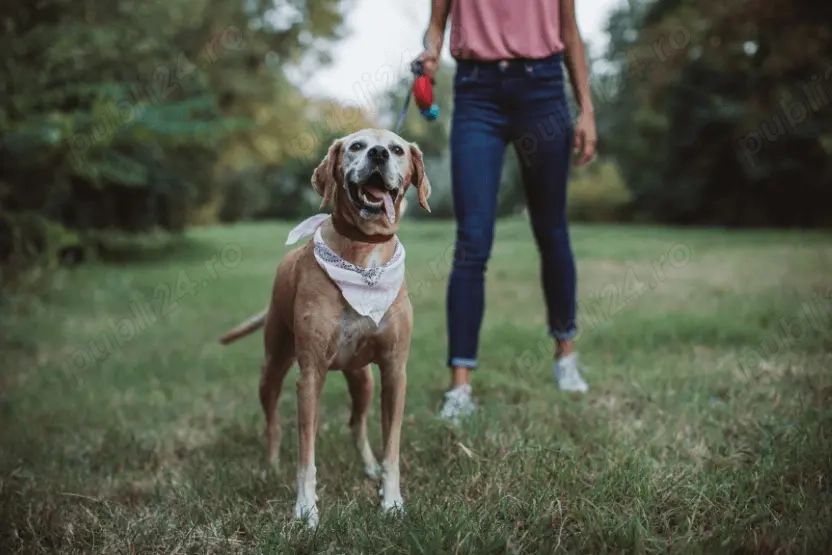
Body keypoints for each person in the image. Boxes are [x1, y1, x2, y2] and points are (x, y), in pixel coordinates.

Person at [417, 0, 598, 423]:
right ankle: (460, 387)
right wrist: (429, 53)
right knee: (472, 241)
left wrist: (586, 108)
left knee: (551, 229)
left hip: (543, 87)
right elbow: (435, 26)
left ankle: (565, 356)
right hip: (476, 92)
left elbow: (569, 31)